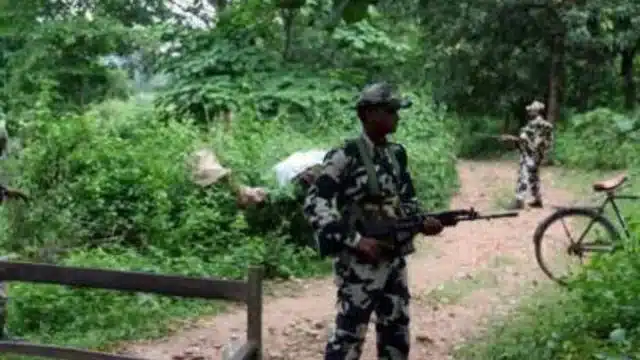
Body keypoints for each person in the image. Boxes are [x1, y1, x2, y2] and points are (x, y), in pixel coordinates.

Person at [303, 82, 448, 360]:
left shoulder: (396, 155)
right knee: (348, 340)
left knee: (396, 336)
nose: (397, 117)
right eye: (390, 110)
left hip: (394, 260)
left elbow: (407, 203)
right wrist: (355, 241)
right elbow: (315, 203)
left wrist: (422, 223)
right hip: (360, 265)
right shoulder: (346, 155)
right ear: (368, 114)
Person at [505, 100, 554, 210]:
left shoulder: (536, 124)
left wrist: (514, 139)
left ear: (536, 111)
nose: (529, 111)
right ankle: (537, 200)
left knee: (523, 174)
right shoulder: (544, 125)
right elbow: (532, 138)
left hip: (530, 154)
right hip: (538, 155)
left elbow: (525, 138)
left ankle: (519, 200)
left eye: (531, 110)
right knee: (533, 176)